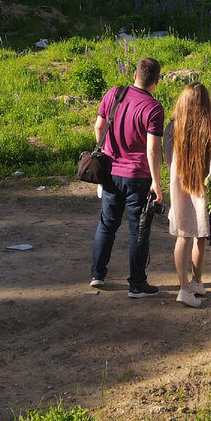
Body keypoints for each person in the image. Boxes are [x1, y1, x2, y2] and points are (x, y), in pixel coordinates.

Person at [89, 57, 165, 298]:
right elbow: (152, 149)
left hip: (111, 171)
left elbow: (98, 128)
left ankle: (97, 274)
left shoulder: (114, 94)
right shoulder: (153, 108)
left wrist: (105, 152)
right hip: (138, 176)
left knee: (107, 224)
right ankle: (136, 284)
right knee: (138, 231)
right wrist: (156, 181)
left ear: (134, 75)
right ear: (156, 81)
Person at [164, 82, 211, 309]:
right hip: (202, 189)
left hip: (180, 187)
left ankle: (186, 286)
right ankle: (195, 282)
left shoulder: (172, 127)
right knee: (200, 234)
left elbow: (168, 159)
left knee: (184, 235)